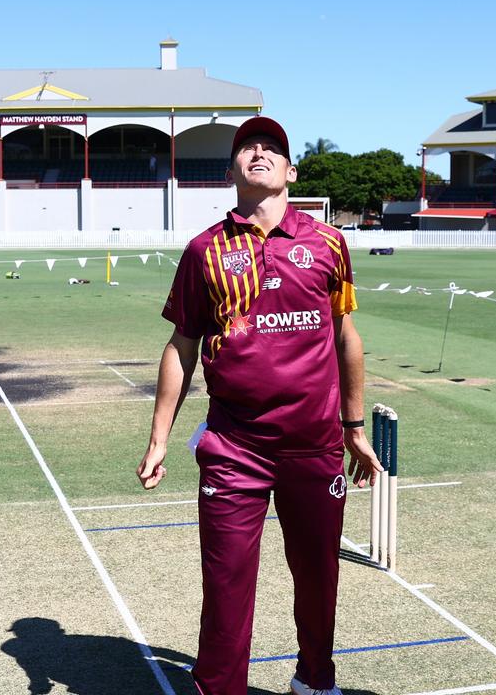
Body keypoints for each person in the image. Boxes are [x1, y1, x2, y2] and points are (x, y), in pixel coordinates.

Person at [137, 116, 379, 695]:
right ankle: (220, 686)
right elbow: (181, 345)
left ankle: (314, 680)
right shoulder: (204, 250)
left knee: (318, 579)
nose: (259, 152)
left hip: (314, 443)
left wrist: (354, 426)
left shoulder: (328, 242)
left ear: (291, 170)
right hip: (233, 447)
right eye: (248, 147)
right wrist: (158, 438)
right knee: (226, 584)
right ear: (231, 171)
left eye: (271, 147)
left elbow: (346, 337)